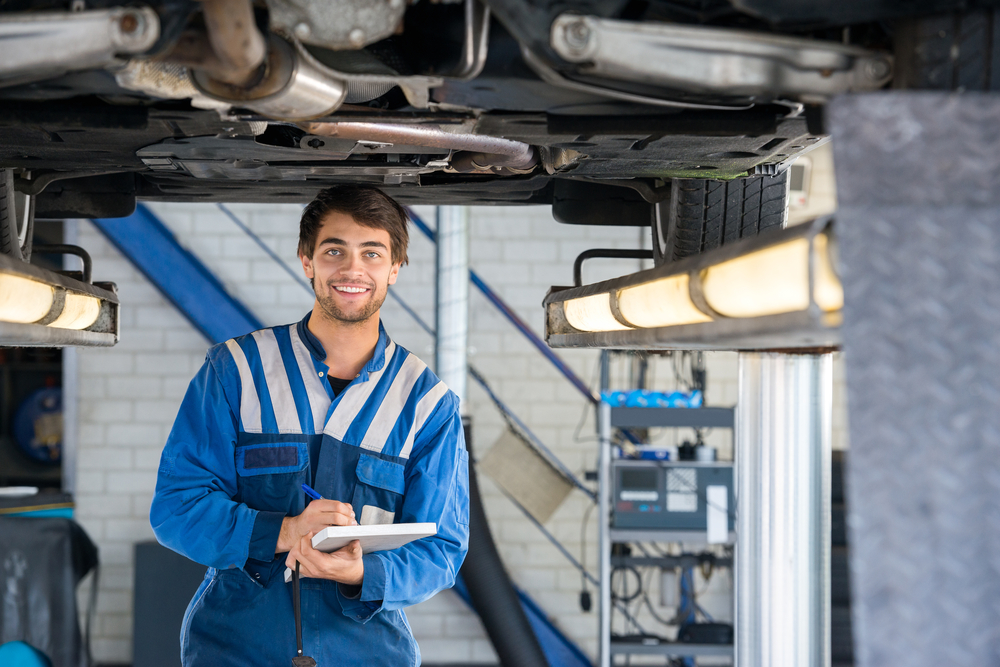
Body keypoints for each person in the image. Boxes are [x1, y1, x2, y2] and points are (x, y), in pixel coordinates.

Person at [149, 186, 470, 667]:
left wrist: (366, 571)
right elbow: (177, 508)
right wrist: (283, 531)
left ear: (395, 269)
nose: (352, 269)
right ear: (307, 261)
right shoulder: (237, 371)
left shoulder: (426, 403)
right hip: (234, 647)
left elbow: (442, 547)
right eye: (334, 250)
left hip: (367, 652)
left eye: (372, 253)